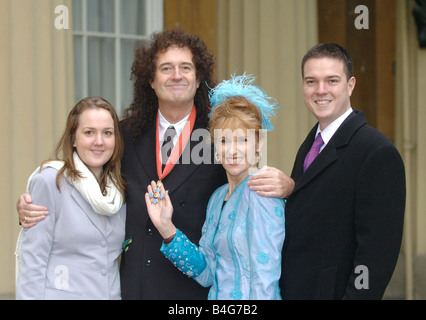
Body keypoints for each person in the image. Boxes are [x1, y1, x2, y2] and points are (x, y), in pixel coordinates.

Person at [17, 29, 294, 300]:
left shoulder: (218, 134)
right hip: (134, 286)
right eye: (166, 68)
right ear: (150, 80)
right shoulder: (122, 135)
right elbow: (91, 187)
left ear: (199, 79)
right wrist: (39, 207)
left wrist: (289, 186)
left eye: (185, 67)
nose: (176, 75)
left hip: (192, 291)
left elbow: (248, 183)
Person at [280, 43, 406, 299]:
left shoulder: (377, 152)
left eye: (332, 81)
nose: (320, 90)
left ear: (350, 85)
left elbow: (376, 256)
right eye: (311, 81)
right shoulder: (311, 144)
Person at [145, 75, 285, 300]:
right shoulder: (217, 198)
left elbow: (265, 277)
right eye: (224, 141)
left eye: (243, 140)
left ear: (259, 144)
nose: (233, 150)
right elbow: (207, 273)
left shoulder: (262, 191)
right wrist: (166, 227)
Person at [15, 97, 126, 299]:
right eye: (89, 132)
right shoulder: (50, 181)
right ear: (73, 138)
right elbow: (33, 260)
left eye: (107, 133)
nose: (99, 141)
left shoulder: (118, 190)